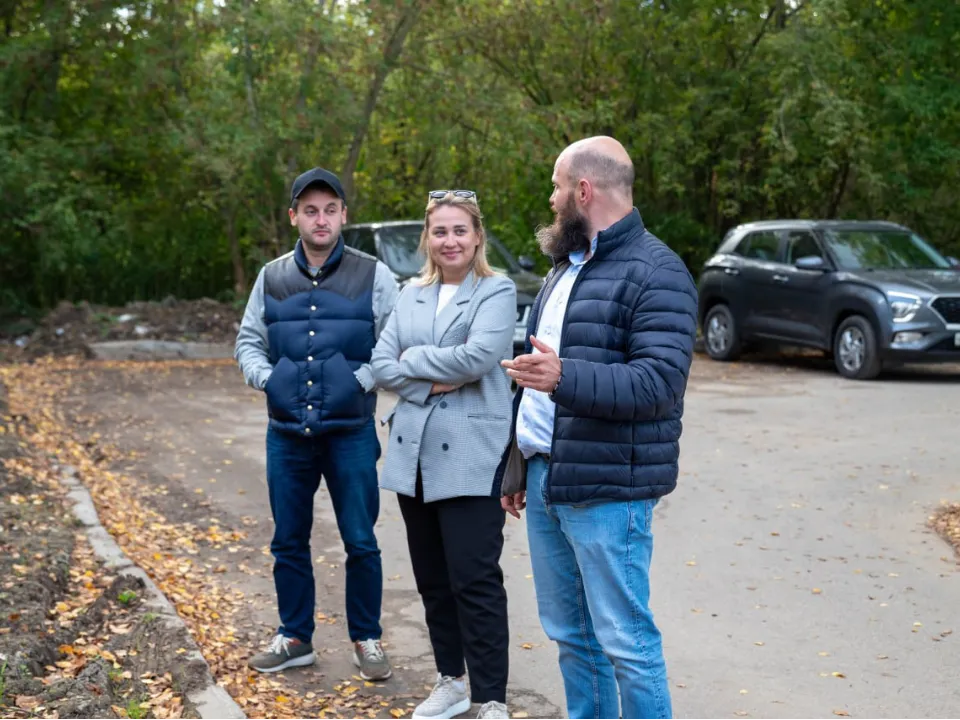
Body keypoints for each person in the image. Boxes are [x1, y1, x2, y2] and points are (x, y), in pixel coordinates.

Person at [496, 137, 698, 720]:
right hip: (544, 481)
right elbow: (535, 380)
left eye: (557, 187)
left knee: (624, 643)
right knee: (570, 636)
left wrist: (564, 376)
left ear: (583, 191)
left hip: (610, 491)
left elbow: (658, 385)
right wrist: (520, 463)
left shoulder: (658, 271)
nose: (552, 198)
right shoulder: (566, 268)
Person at [234, 167, 399, 680]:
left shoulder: (375, 275)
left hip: (350, 432)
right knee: (288, 538)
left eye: (330, 209)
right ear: (294, 217)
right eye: (310, 210)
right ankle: (295, 636)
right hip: (286, 434)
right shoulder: (271, 276)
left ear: (344, 215)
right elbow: (247, 341)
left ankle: (367, 639)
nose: (320, 219)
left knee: (360, 539)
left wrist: (361, 380)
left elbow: (397, 344)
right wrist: (268, 378)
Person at [370, 190, 516, 720]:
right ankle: (451, 682)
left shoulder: (496, 291)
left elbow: (480, 357)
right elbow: (381, 364)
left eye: (460, 230)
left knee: (474, 579)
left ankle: (491, 697)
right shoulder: (410, 293)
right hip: (413, 455)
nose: (449, 240)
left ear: (477, 235)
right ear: (426, 240)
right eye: (440, 231)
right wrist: (429, 382)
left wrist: (414, 360)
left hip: (473, 454)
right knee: (433, 578)